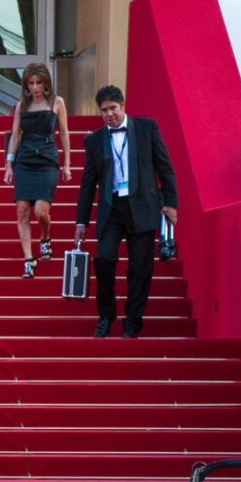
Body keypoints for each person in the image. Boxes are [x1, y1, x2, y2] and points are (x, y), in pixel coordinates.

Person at [74, 84, 180, 338]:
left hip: (142, 205)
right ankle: (106, 315)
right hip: (112, 209)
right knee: (105, 259)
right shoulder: (94, 141)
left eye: (113, 108)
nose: (109, 114)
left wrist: (171, 205)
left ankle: (133, 320)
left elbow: (165, 168)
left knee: (140, 268)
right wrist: (81, 222)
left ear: (123, 106)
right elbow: (88, 184)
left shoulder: (147, 128)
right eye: (104, 110)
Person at [4, 64, 71, 277]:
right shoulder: (21, 106)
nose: (35, 87)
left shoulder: (56, 102)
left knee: (41, 210)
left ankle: (45, 236)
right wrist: (8, 165)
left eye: (38, 83)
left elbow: (64, 134)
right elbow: (15, 136)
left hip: (47, 159)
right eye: (31, 83)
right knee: (22, 209)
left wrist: (67, 164)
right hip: (25, 161)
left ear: (46, 83)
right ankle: (29, 260)